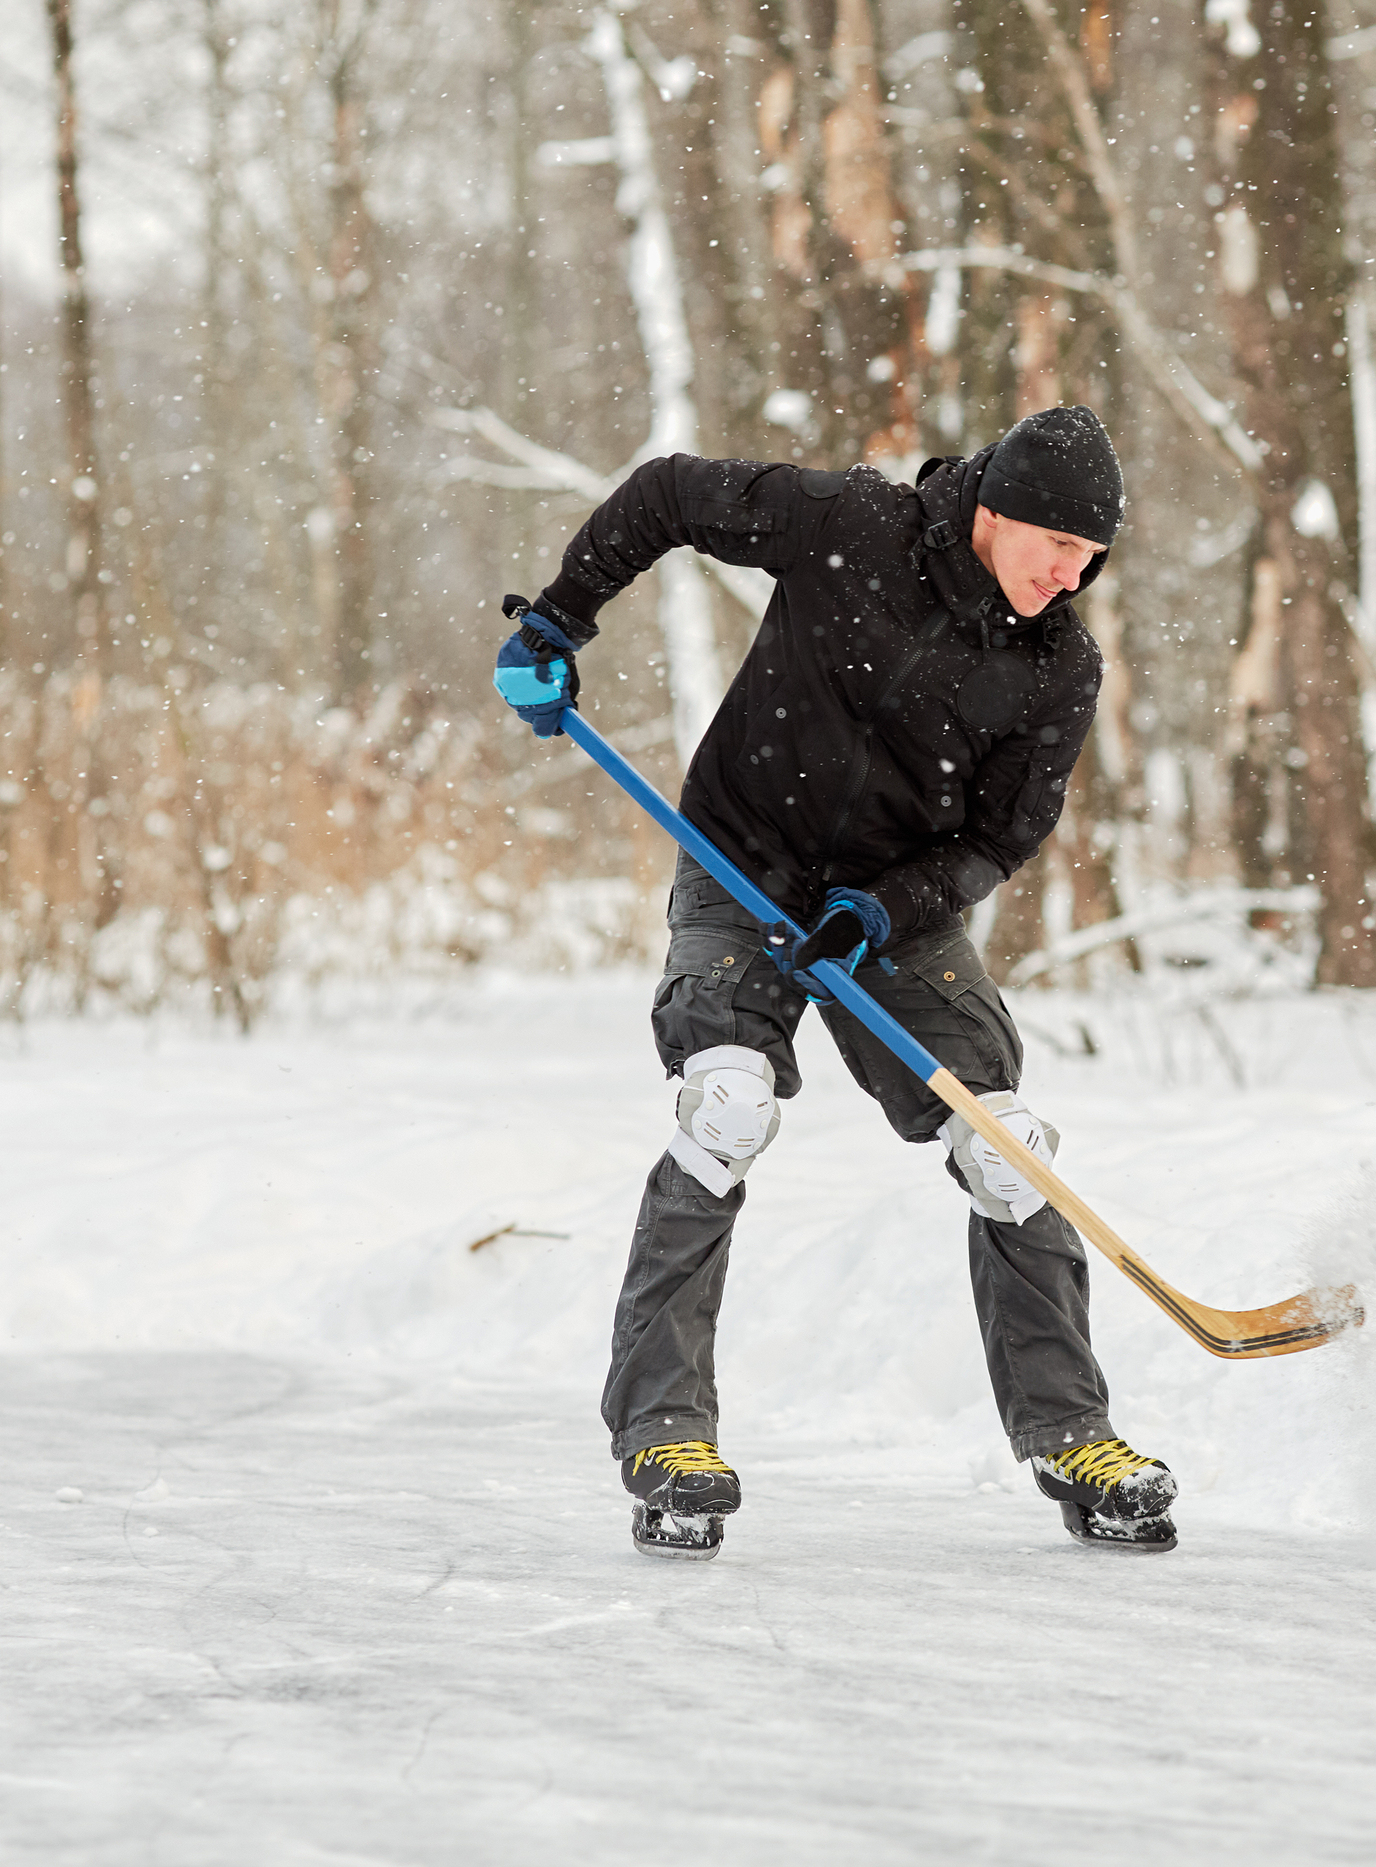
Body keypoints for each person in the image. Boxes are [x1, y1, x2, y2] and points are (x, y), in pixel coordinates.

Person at [493, 406, 1178, 1562]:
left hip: (890, 913)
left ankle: (1074, 1433)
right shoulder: (851, 524)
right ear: (995, 510)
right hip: (739, 865)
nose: (1069, 575)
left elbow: (998, 841)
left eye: (1088, 557)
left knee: (1005, 1147)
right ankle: (666, 1432)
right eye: (1055, 544)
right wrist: (561, 617)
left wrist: (882, 911)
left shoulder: (1059, 664)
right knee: (726, 1107)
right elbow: (666, 493)